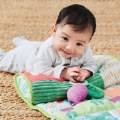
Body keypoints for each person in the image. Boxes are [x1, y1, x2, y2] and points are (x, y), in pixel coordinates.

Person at [0, 4, 97, 82]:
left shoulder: (86, 49)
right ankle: (23, 44)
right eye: (65, 38)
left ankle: (23, 42)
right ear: (54, 30)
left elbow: (91, 64)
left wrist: (85, 72)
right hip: (26, 57)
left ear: (88, 42)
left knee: (36, 46)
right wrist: (64, 73)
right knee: (3, 60)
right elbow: (39, 70)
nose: (70, 48)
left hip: (38, 47)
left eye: (79, 44)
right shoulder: (48, 49)